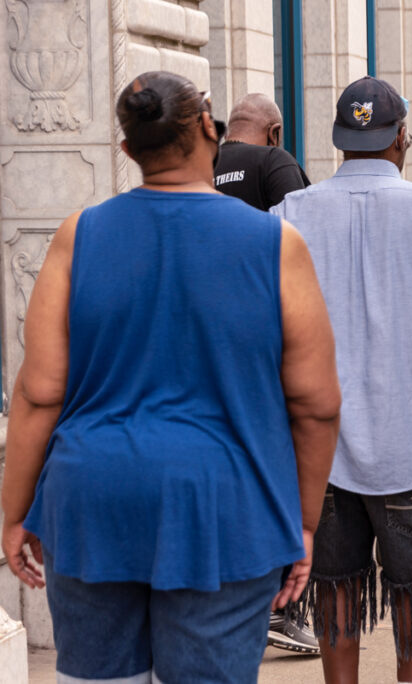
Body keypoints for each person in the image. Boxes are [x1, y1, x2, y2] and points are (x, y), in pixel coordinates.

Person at [0, 71, 341, 684]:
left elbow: (38, 392)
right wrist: (304, 521)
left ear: (128, 150)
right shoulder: (274, 244)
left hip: (93, 496)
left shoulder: (78, 237)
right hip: (224, 506)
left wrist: (15, 508)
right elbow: (316, 405)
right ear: (209, 129)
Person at [271, 76, 412, 684]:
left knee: (335, 584)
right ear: (402, 137)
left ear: (340, 140)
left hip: (321, 446)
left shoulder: (290, 213)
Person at [214, 92, 320, 655]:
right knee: (282, 473)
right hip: (267, 347)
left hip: (209, 351)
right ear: (275, 132)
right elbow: (306, 241)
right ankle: (283, 605)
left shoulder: (204, 165)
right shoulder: (274, 164)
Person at [214, 93, 310, 210]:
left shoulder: (203, 167)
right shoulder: (275, 160)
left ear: (227, 133)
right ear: (274, 133)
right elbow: (298, 219)